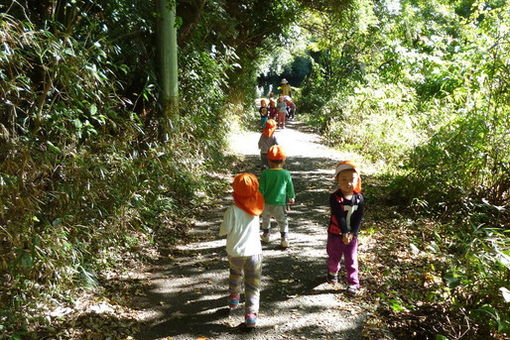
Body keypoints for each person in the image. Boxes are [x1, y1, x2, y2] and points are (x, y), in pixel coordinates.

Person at [219, 173, 265, 328]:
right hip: (254, 252)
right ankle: (251, 315)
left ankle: (233, 297)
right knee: (253, 284)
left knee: (235, 273)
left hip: (235, 252)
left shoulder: (231, 211)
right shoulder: (257, 209)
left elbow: (224, 230)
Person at [326, 161, 365, 296]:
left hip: (351, 236)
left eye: (352, 180)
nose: (348, 183)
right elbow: (339, 216)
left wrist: (353, 233)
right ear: (337, 180)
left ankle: (353, 283)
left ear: (357, 180)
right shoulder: (335, 197)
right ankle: (332, 272)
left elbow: (358, 217)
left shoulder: (359, 198)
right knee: (334, 255)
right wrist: (344, 232)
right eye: (344, 179)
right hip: (336, 233)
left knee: (351, 258)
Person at [259, 145, 295, 248]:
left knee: (265, 218)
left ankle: (266, 235)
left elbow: (261, 189)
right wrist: (291, 196)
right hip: (279, 203)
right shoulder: (286, 173)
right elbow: (290, 186)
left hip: (266, 202)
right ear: (283, 161)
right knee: (282, 220)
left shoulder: (265, 173)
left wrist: (258, 198)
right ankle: (284, 238)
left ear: (269, 161)